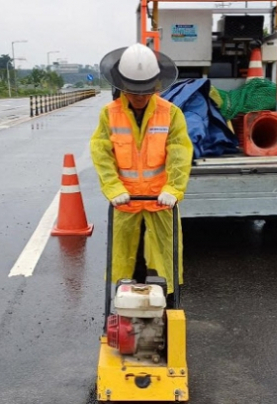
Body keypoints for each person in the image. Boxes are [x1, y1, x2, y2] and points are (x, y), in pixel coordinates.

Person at [90, 43, 193, 302]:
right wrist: (113, 189)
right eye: (134, 90)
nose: (139, 96)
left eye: (145, 90)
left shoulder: (170, 114)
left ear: (156, 84)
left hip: (160, 201)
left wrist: (173, 189)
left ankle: (168, 306)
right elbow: (102, 155)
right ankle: (123, 309)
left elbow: (179, 154)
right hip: (125, 202)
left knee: (164, 261)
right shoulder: (109, 114)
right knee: (125, 261)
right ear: (123, 84)